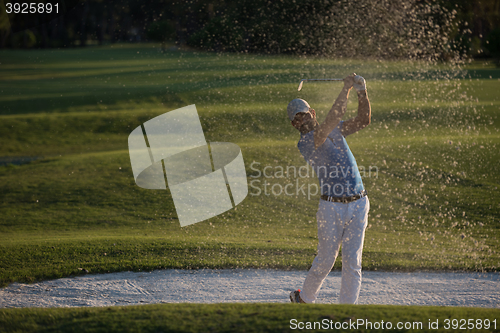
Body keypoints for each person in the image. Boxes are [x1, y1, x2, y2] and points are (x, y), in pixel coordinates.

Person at [288, 73, 371, 304]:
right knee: (326, 259)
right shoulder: (306, 142)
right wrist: (345, 89)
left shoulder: (334, 129)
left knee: (353, 262)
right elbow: (333, 119)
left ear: (311, 113)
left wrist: (362, 91)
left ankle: (347, 313)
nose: (301, 121)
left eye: (304, 115)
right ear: (294, 125)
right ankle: (305, 297)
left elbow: (364, 120)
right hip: (330, 208)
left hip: (359, 203)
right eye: (296, 120)